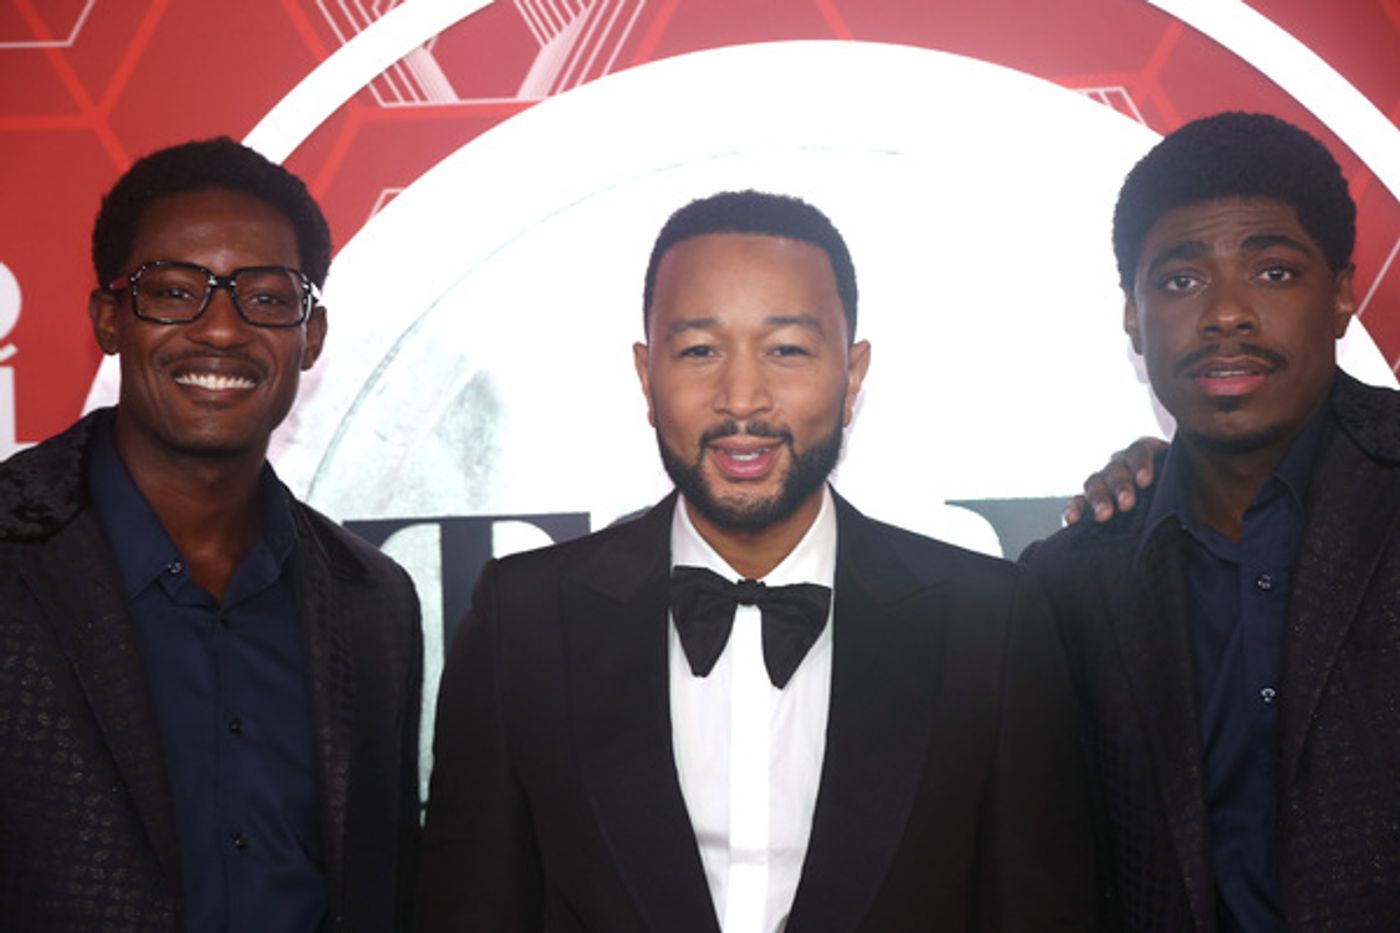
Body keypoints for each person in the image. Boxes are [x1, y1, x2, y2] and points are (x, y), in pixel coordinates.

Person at [419, 190, 1096, 931]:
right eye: (700, 351)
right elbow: (468, 907)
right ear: (646, 377)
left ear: (853, 376)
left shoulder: (989, 627)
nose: (742, 399)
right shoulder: (523, 621)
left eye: (787, 350)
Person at [0, 139, 422, 932]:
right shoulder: (14, 551)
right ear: (109, 319)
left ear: (311, 334)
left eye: (265, 296)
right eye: (173, 291)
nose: (222, 329)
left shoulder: (374, 600)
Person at [1023, 112, 1400, 931]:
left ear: (1341, 294)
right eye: (1181, 281)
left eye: (1273, 271)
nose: (1227, 313)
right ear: (1132, 315)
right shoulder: (1070, 583)